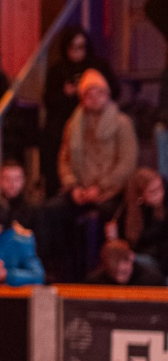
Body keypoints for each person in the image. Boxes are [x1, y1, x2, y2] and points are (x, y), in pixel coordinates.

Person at [43, 69, 138, 280]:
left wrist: (100, 187)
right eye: (89, 94)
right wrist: (73, 186)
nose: (94, 98)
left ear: (107, 95)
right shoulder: (73, 124)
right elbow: (64, 159)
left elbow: (127, 163)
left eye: (99, 93)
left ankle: (94, 274)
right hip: (80, 190)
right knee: (50, 211)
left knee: (95, 220)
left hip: (110, 191)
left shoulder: (121, 123)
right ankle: (61, 272)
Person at [41, 27, 113, 195]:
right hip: (64, 122)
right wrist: (65, 93)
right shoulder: (57, 70)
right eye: (72, 47)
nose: (77, 52)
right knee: (57, 148)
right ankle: (61, 192)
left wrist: (92, 91)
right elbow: (48, 99)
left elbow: (114, 90)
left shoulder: (97, 66)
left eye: (81, 47)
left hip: (96, 122)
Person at [111, 168, 168, 278]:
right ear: (140, 195)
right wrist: (113, 238)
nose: (160, 194)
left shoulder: (165, 205)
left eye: (160, 188)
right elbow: (127, 243)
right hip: (139, 257)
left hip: (161, 257)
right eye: (153, 191)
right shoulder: (127, 211)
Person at [88, 238, 164, 287]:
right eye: (113, 272)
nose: (118, 278)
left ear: (131, 257)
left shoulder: (152, 281)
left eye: (123, 272)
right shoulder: (94, 284)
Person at [0, 159, 40, 232]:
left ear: (23, 180)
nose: (12, 184)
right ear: (0, 180)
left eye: (16, 179)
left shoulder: (33, 211)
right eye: (7, 179)